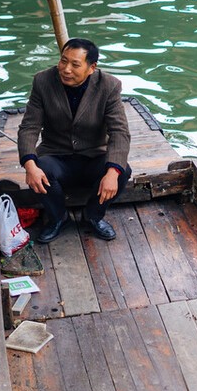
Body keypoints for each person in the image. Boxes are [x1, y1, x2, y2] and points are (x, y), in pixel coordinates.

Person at [17, 38, 132, 244]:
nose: (66, 69)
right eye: (63, 61)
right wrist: (29, 164)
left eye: (75, 64)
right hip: (56, 156)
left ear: (92, 67)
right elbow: (29, 127)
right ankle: (58, 218)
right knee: (41, 167)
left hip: (93, 156)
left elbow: (119, 131)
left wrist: (113, 172)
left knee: (122, 170)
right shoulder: (43, 81)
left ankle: (93, 216)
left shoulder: (109, 85)